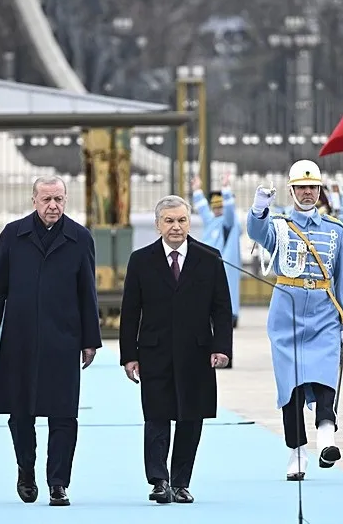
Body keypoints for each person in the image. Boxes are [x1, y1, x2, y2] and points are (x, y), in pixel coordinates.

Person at [0, 175, 102, 507]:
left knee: (64, 414)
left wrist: (90, 340)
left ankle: (58, 483)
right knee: (21, 413)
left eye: (59, 199)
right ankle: (26, 472)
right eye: (46, 199)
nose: (53, 206)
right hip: (19, 339)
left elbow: (87, 294)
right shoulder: (13, 235)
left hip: (63, 340)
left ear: (66, 200)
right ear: (33, 200)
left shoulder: (80, 238)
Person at [247, 159, 343, 482]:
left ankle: (327, 437)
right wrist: (258, 209)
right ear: (292, 190)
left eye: (312, 187)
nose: (307, 193)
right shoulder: (280, 226)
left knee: (326, 377)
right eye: (301, 188)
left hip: (324, 311)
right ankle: (296, 451)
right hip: (288, 313)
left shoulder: (335, 230)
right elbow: (258, 233)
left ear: (320, 190)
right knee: (290, 387)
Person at [119, 194, 233, 504]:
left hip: (197, 353)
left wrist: (221, 347)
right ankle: (159, 481)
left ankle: (181, 482)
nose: (176, 227)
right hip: (154, 352)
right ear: (158, 225)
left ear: (189, 222)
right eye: (169, 221)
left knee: (190, 418)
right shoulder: (140, 260)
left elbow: (221, 308)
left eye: (181, 220)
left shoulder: (209, 257)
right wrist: (129, 355)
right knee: (157, 416)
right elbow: (130, 311)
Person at [191, 172, 242, 331]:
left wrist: (226, 189)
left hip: (225, 265)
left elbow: (229, 211)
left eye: (220, 206)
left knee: (227, 291)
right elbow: (202, 209)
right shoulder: (211, 220)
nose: (217, 209)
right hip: (209, 264)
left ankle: (231, 315)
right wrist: (196, 190)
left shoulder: (227, 223)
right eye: (216, 207)